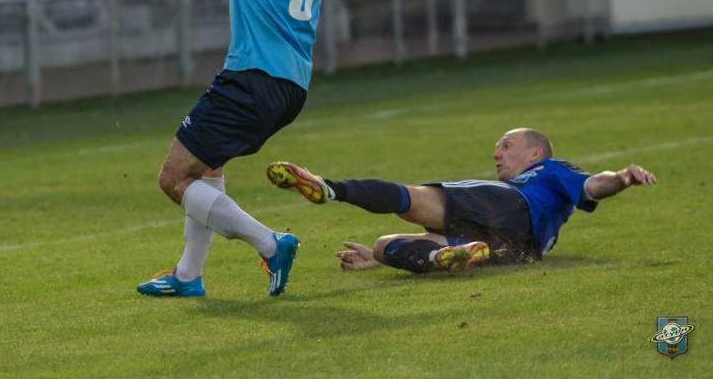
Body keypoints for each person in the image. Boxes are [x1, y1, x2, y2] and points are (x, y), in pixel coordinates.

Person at [89, 0, 407, 297]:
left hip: (252, 78)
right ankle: (188, 276)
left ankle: (270, 242)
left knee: (174, 178)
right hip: (292, 89)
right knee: (208, 167)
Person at [267, 128, 656, 275]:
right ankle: (440, 256)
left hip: (513, 208)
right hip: (516, 250)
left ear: (536, 154)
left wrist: (622, 177)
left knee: (412, 198)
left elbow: (592, 185)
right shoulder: (532, 181)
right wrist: (376, 258)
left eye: (507, 146)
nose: (497, 153)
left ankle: (331, 188)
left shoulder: (548, 170)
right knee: (384, 245)